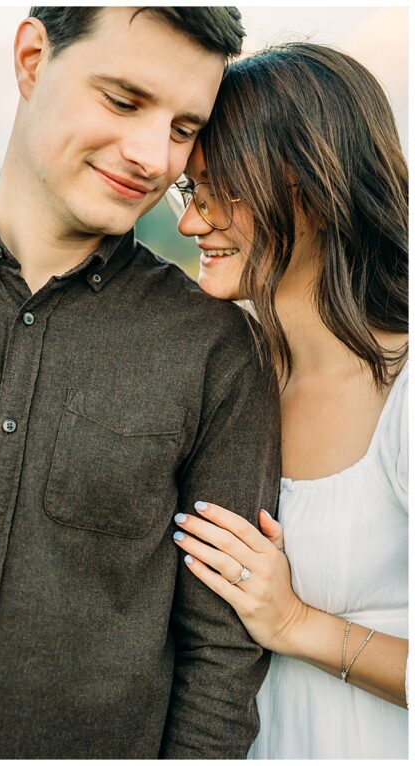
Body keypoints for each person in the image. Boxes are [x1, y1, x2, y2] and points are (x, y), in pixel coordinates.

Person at [0, 7, 282, 759]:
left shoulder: (216, 351)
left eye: (183, 129)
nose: (152, 156)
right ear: (31, 58)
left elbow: (222, 661)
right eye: (123, 100)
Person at [170, 43, 408, 758]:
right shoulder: (229, 376)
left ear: (310, 188)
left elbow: (278, 618)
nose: (191, 222)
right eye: (191, 191)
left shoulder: (405, 391)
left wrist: (296, 622)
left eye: (220, 191)